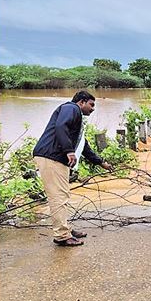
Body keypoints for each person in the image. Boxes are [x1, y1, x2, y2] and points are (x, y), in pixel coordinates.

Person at [32, 90, 113, 247]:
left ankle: (65, 229)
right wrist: (69, 151)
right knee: (58, 197)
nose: (93, 108)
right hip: (51, 157)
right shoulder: (71, 108)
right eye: (91, 104)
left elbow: (84, 146)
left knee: (62, 195)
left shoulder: (76, 118)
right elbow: (60, 126)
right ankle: (62, 235)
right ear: (81, 102)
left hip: (54, 158)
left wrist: (101, 162)